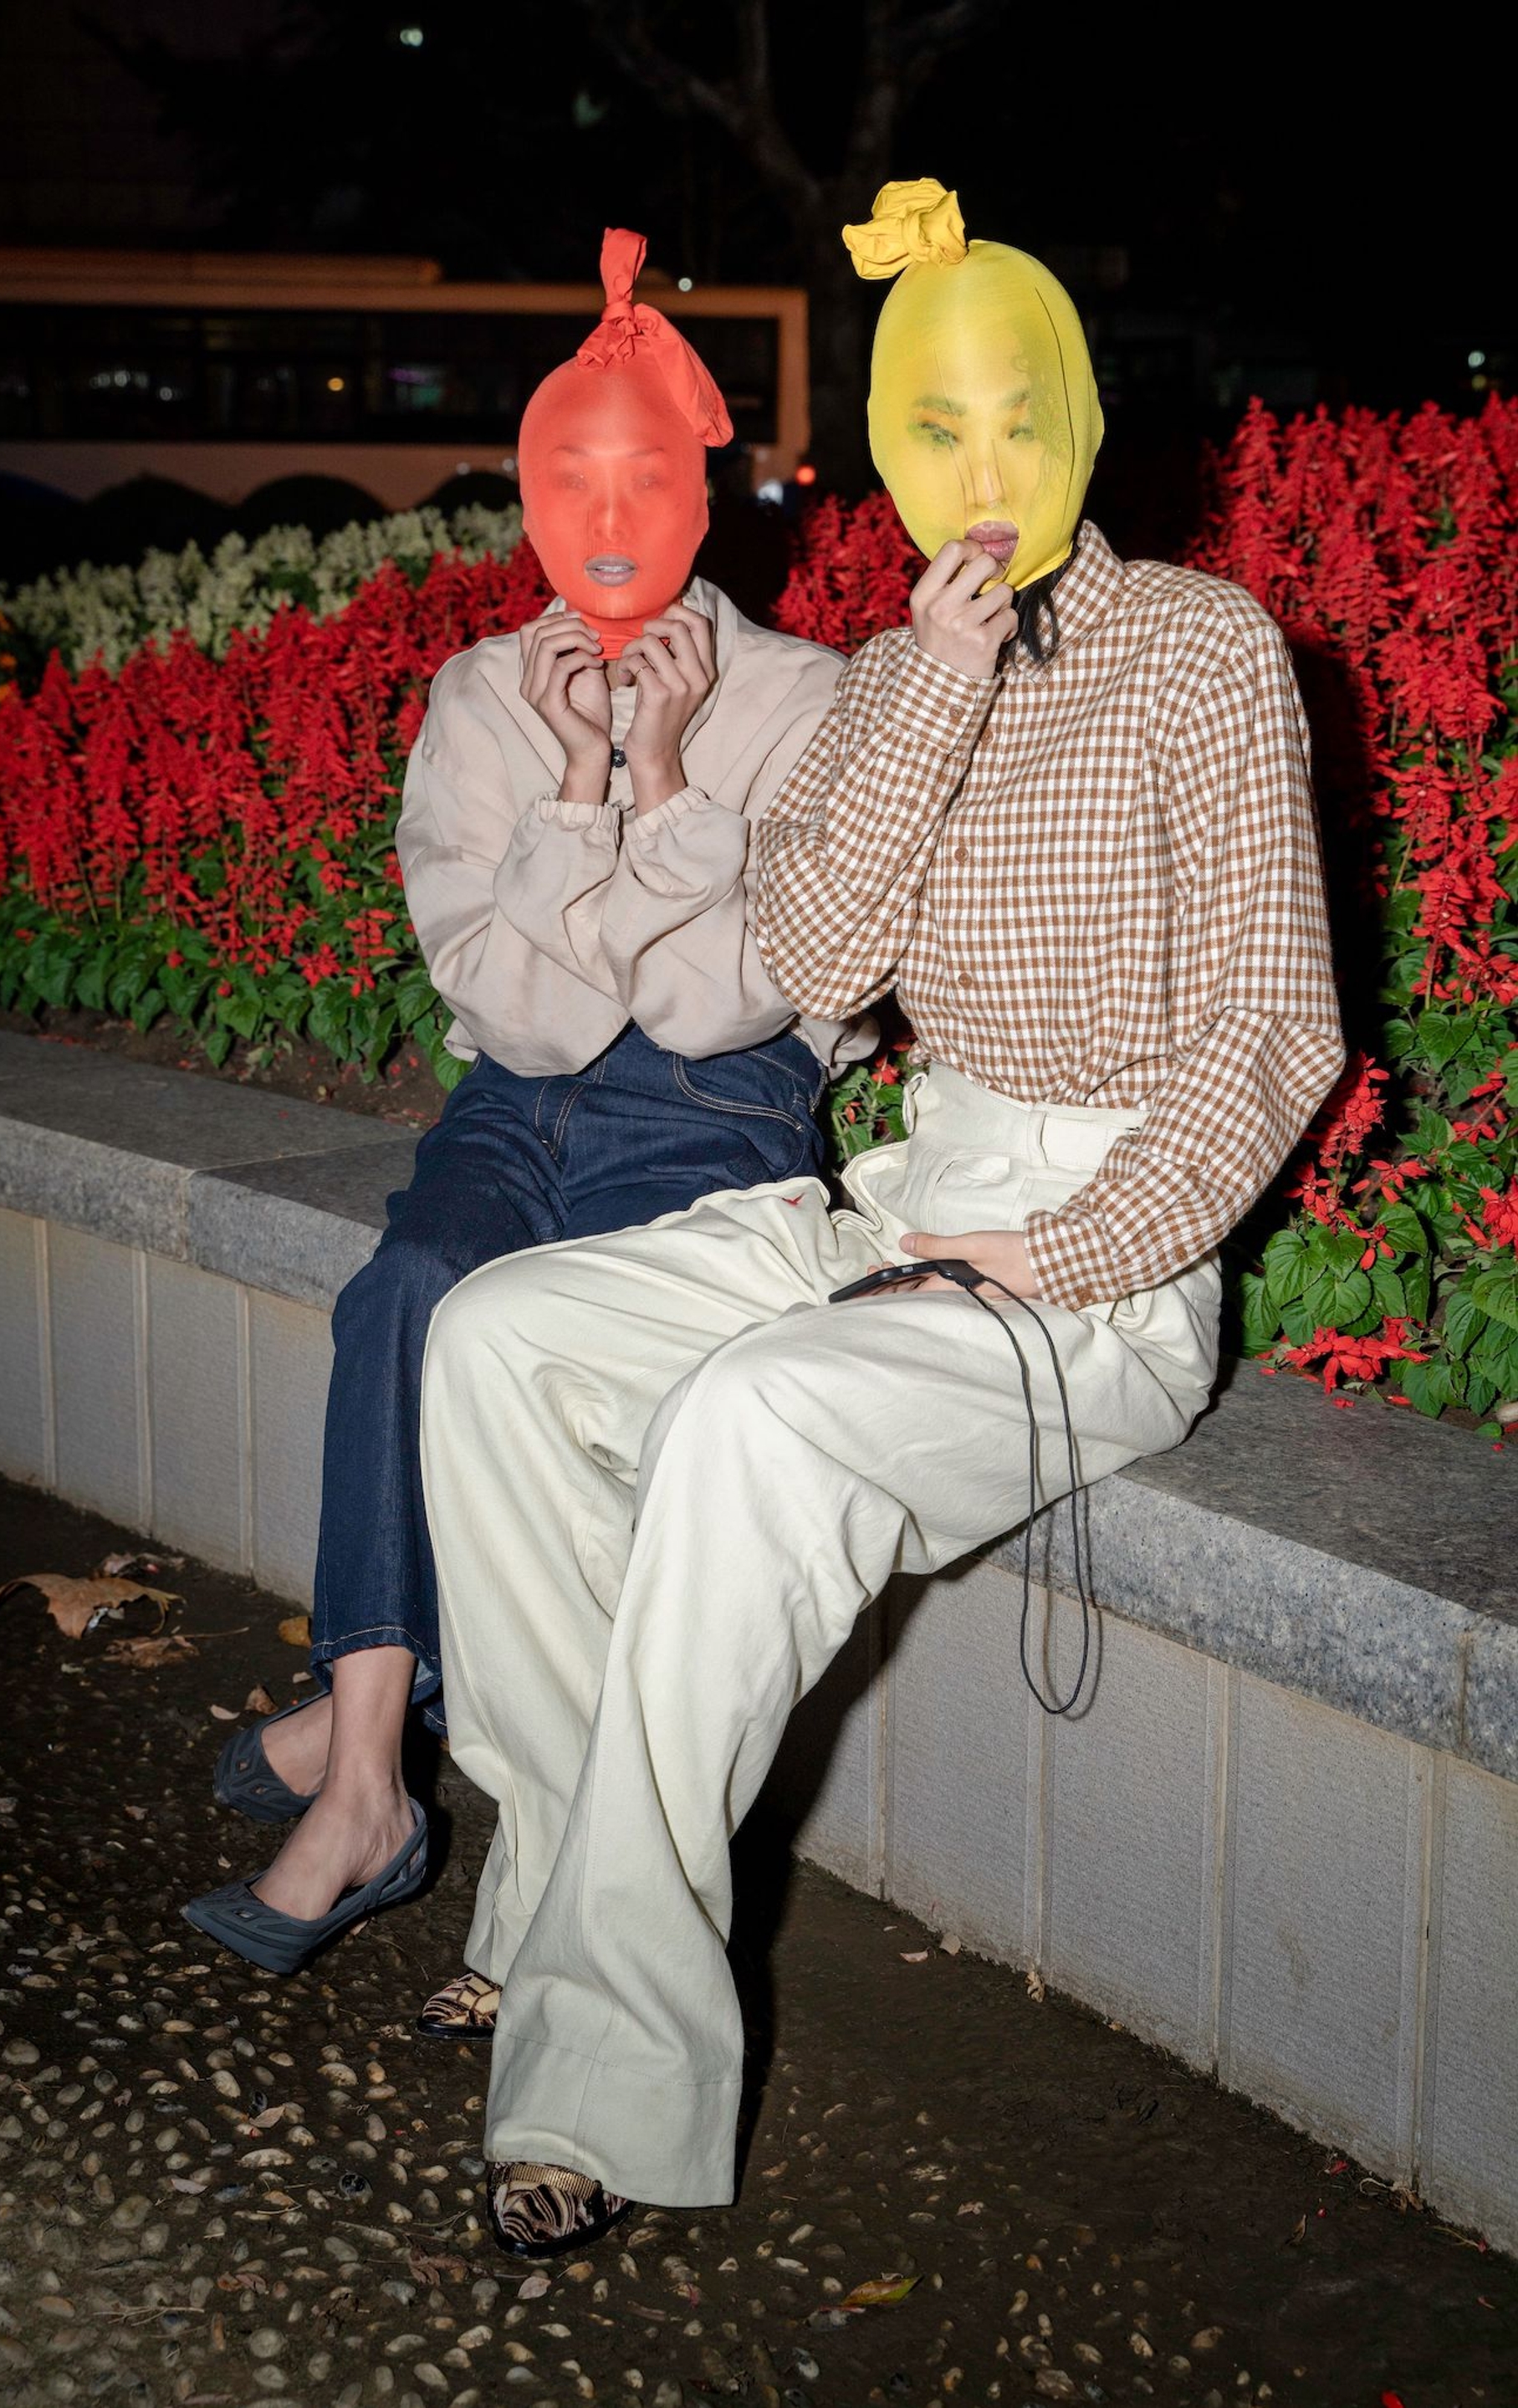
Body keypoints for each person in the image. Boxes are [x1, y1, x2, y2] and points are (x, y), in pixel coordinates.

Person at [414, 180, 1347, 2257]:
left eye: (1022, 423)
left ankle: (599, 2072)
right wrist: (923, 692)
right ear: (888, 448)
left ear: (1092, 422)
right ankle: (570, 1891)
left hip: (1100, 1262)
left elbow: (1278, 1024)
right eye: (938, 431)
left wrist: (1069, 1249)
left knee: (751, 1419)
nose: (985, 475)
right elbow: (816, 953)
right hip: (902, 1195)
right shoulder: (882, 671)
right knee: (496, 1341)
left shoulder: (1206, 656)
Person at [181, 229, 869, 1986]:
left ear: (707, 487)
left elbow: (727, 1002)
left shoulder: (807, 703)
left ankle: (352, 1751)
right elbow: (529, 1025)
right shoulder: (482, 701)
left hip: (724, 1121)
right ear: (528, 493)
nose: (614, 508)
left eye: (649, 473)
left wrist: (663, 780)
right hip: (524, 1111)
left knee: (528, 1346)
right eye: (575, 475)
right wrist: (575, 787)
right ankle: (371, 1792)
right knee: (408, 1291)